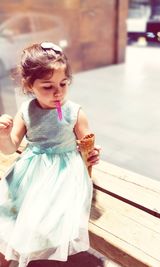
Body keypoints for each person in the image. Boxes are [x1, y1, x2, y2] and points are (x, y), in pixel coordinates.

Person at [0, 42, 100, 267]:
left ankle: (41, 257)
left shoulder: (75, 112)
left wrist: (92, 154)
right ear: (29, 85)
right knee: (8, 214)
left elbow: (87, 148)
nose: (58, 92)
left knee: (46, 221)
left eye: (63, 83)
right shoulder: (26, 110)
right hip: (30, 169)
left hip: (64, 173)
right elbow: (9, 147)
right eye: (47, 86)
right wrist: (4, 135)